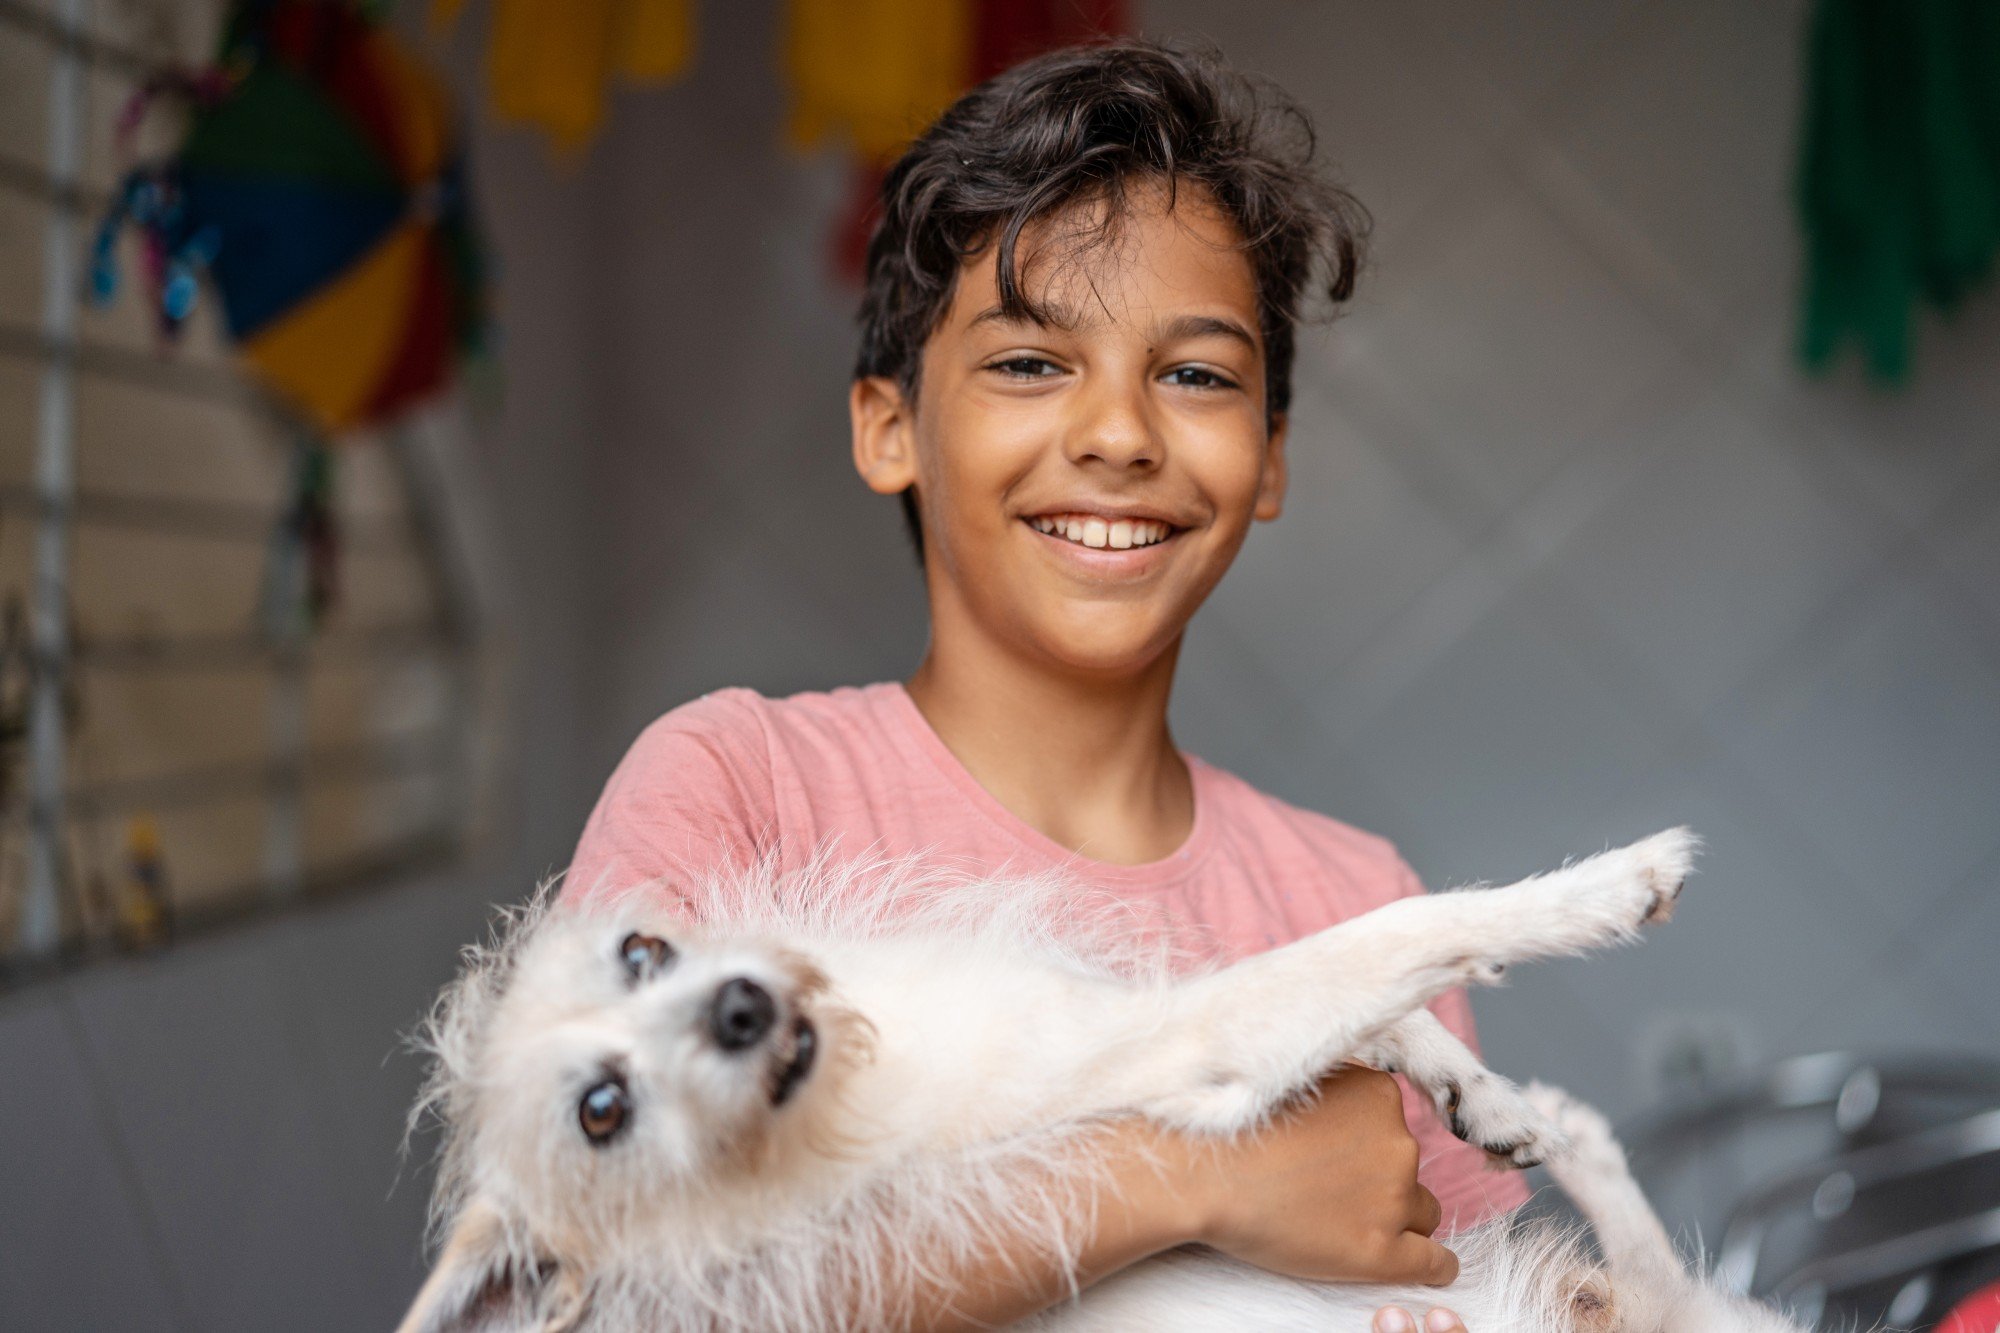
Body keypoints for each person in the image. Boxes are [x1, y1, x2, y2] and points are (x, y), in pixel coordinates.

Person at [566, 39, 1527, 1333]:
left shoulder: (1360, 907)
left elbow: (1462, 1296)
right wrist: (1197, 1175)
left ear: (1272, 457)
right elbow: (608, 1290)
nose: (1120, 435)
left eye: (1194, 373)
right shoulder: (739, 792)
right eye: (1028, 362)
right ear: (888, 425)